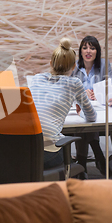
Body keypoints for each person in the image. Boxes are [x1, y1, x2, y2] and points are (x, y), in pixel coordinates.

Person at [29, 38, 97, 170]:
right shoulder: (74, 83)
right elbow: (91, 117)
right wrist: (79, 112)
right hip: (48, 153)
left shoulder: (37, 78)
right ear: (73, 66)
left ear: (51, 63)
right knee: (66, 155)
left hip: (25, 150)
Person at [71, 35, 112, 175]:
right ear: (80, 51)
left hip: (99, 110)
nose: (88, 51)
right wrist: (82, 94)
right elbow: (67, 88)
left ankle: (82, 162)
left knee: (89, 119)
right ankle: (97, 153)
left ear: (97, 51)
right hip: (79, 109)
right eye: (84, 48)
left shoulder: (103, 65)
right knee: (84, 120)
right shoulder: (74, 66)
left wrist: (99, 93)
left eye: (92, 48)